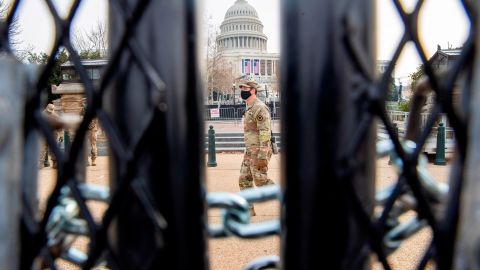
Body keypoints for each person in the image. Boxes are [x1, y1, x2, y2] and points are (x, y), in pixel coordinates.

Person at [238, 79, 275, 216]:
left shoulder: (260, 107)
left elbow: (265, 132)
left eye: (245, 89)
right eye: (241, 88)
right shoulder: (249, 107)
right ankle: (247, 210)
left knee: (260, 181)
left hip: (259, 151)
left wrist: (262, 155)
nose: (242, 91)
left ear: (253, 90)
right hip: (250, 151)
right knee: (244, 179)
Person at [39, 103, 61, 169]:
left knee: (53, 150)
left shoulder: (55, 116)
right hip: (44, 134)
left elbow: (60, 126)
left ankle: (55, 163)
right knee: (42, 149)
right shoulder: (42, 115)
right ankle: (41, 163)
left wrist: (61, 135)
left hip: (53, 134)